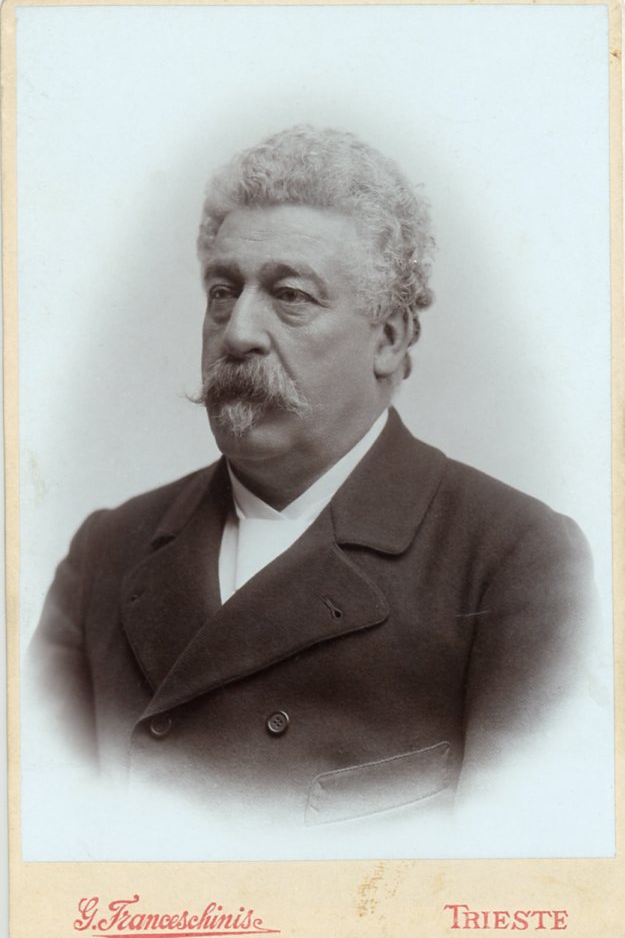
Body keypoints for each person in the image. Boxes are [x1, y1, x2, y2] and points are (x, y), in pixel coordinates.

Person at [29, 125, 594, 829]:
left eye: (290, 295)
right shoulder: (106, 555)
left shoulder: (514, 560)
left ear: (388, 338)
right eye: (222, 292)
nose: (238, 332)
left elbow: (518, 859)